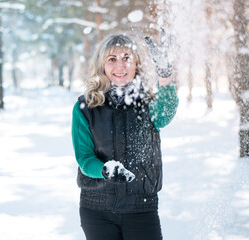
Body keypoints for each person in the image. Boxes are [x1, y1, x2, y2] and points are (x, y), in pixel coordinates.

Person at [71, 31, 179, 240]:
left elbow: (165, 115)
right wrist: (104, 170)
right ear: (102, 65)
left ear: (136, 64)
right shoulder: (85, 107)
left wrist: (165, 77)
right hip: (97, 209)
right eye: (112, 59)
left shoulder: (147, 104)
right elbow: (84, 158)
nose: (120, 66)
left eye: (126, 58)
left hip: (141, 208)